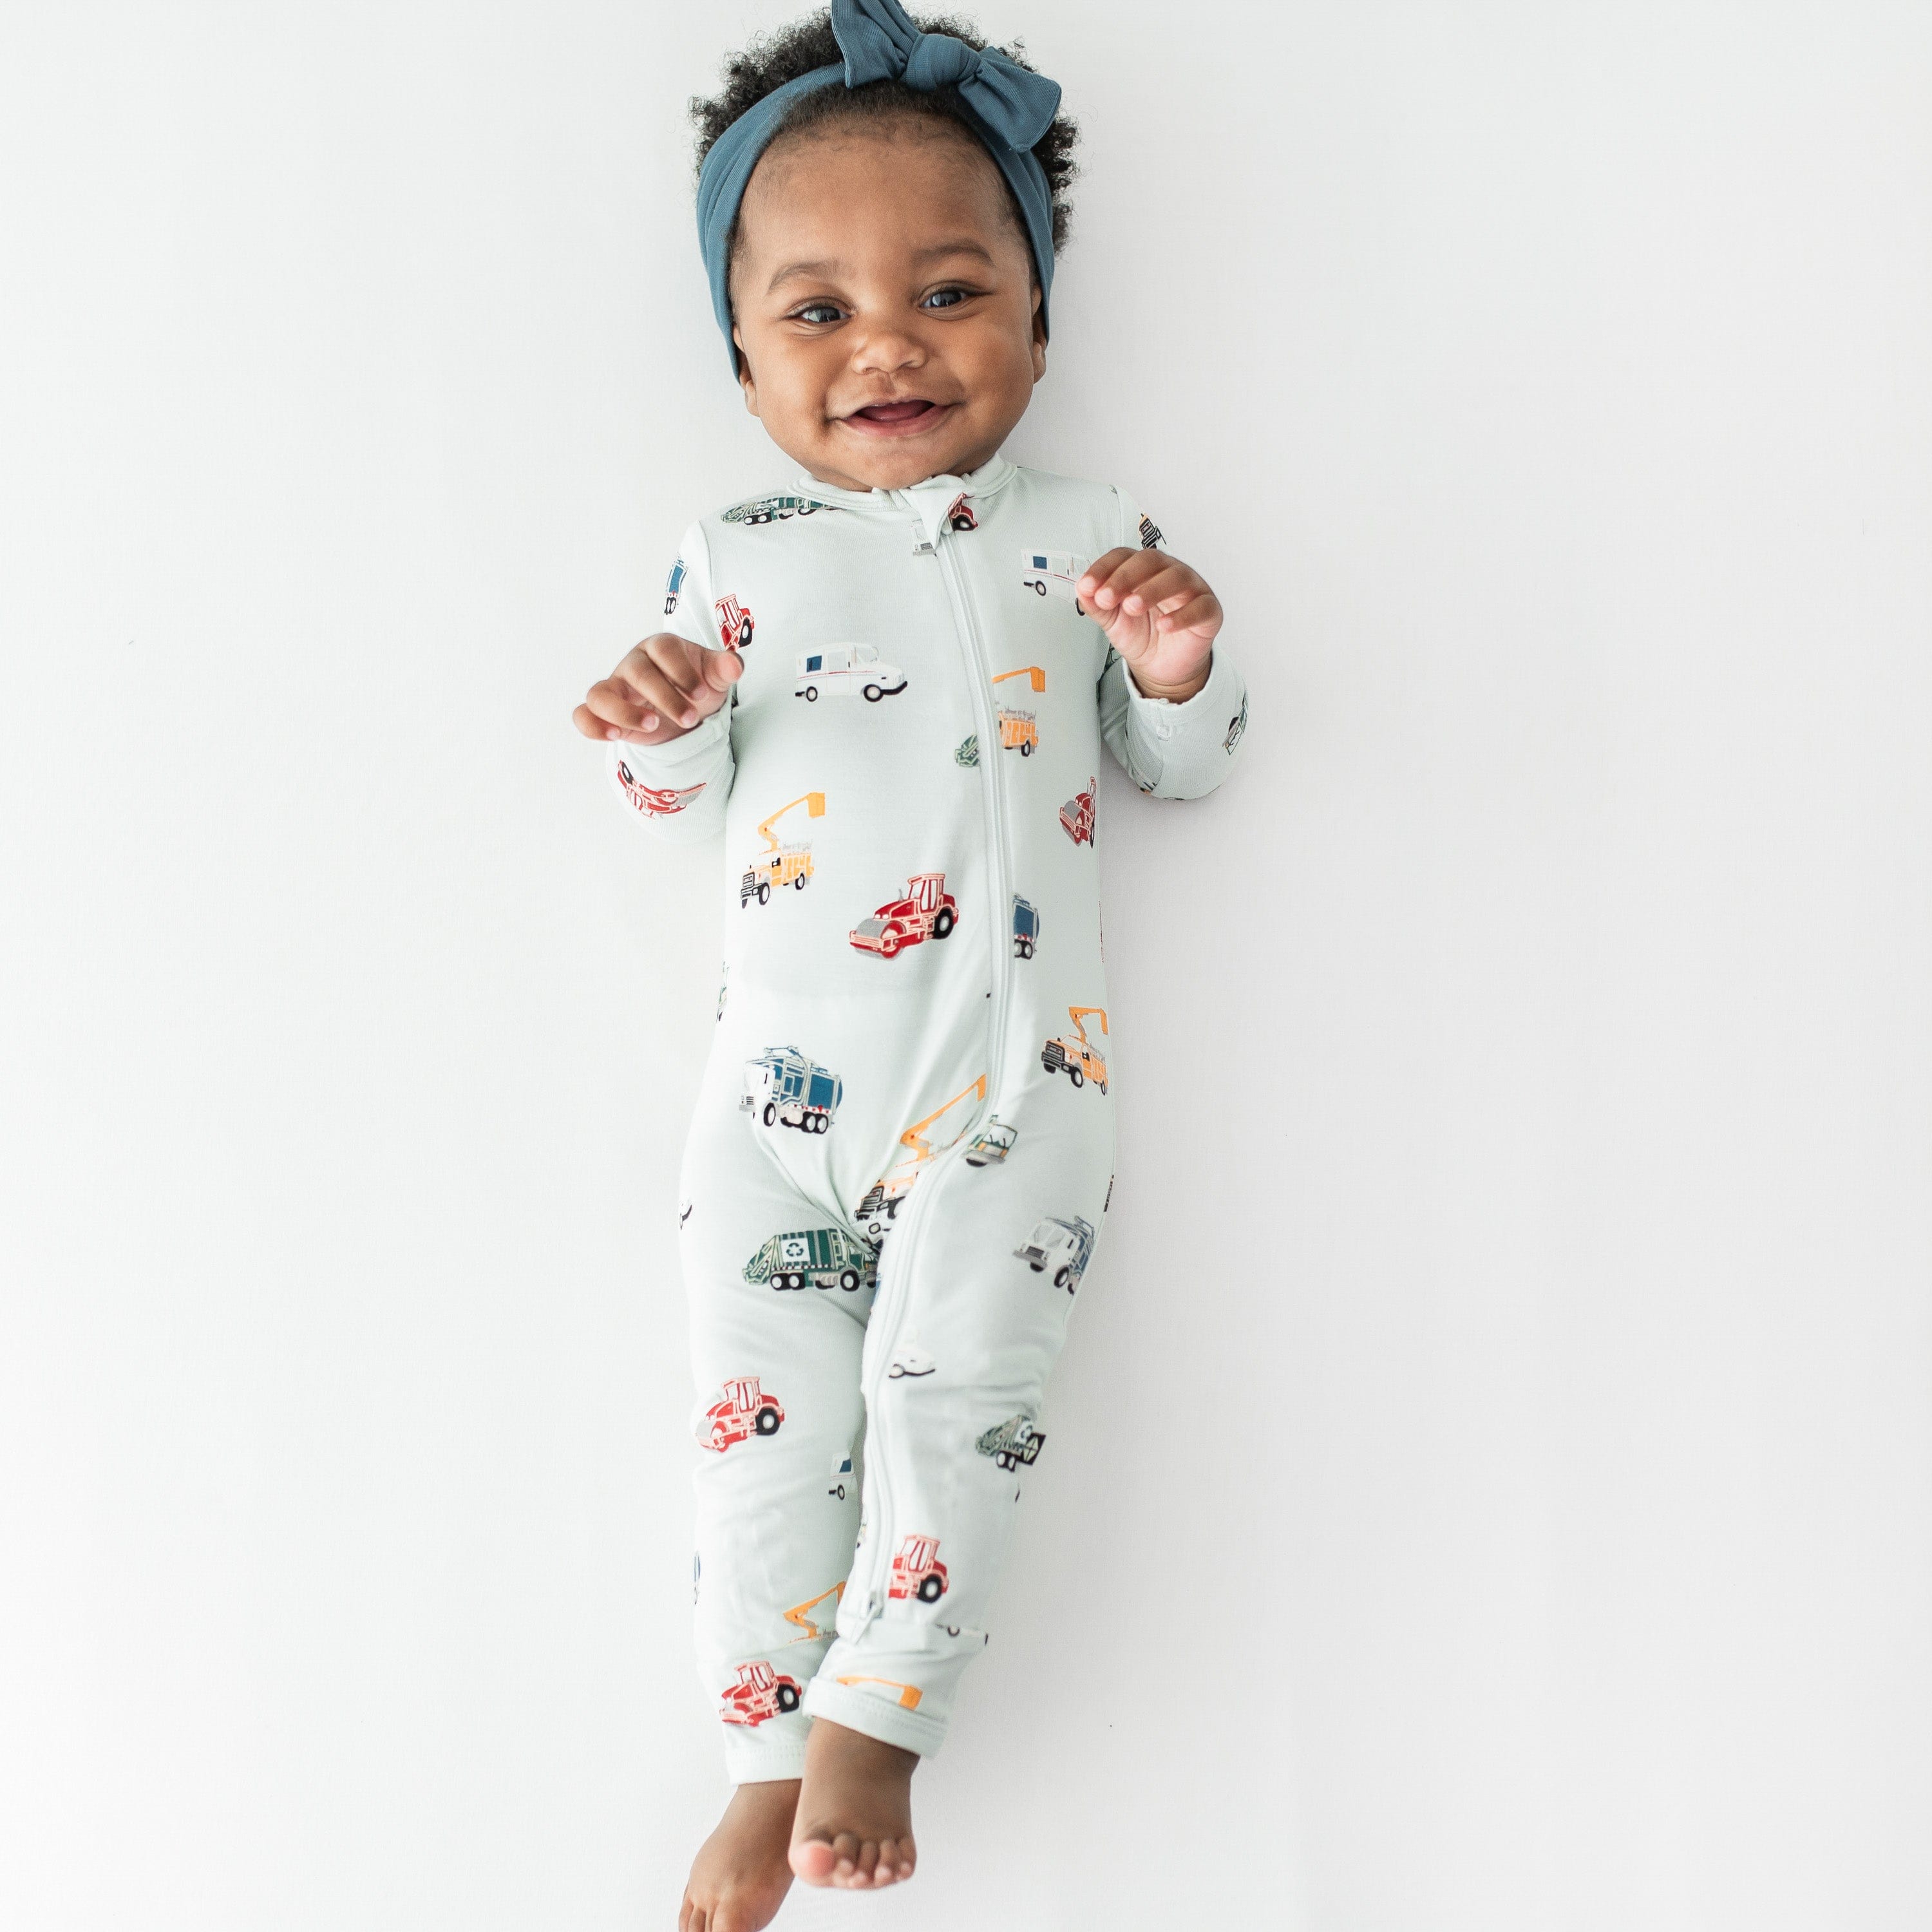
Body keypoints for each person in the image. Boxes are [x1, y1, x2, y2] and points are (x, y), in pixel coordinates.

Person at [572, 5, 1250, 1924]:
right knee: (759, 1415)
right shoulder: (737, 552)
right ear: (739, 351)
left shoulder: (1091, 536)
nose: (888, 342)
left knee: (959, 1395)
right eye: (816, 312)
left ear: (1037, 324)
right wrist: (652, 722)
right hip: (773, 1099)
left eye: (951, 292)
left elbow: (1179, 759)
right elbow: (672, 798)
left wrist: (1184, 658)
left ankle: (874, 1720)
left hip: (1010, 1084)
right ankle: (760, 1753)